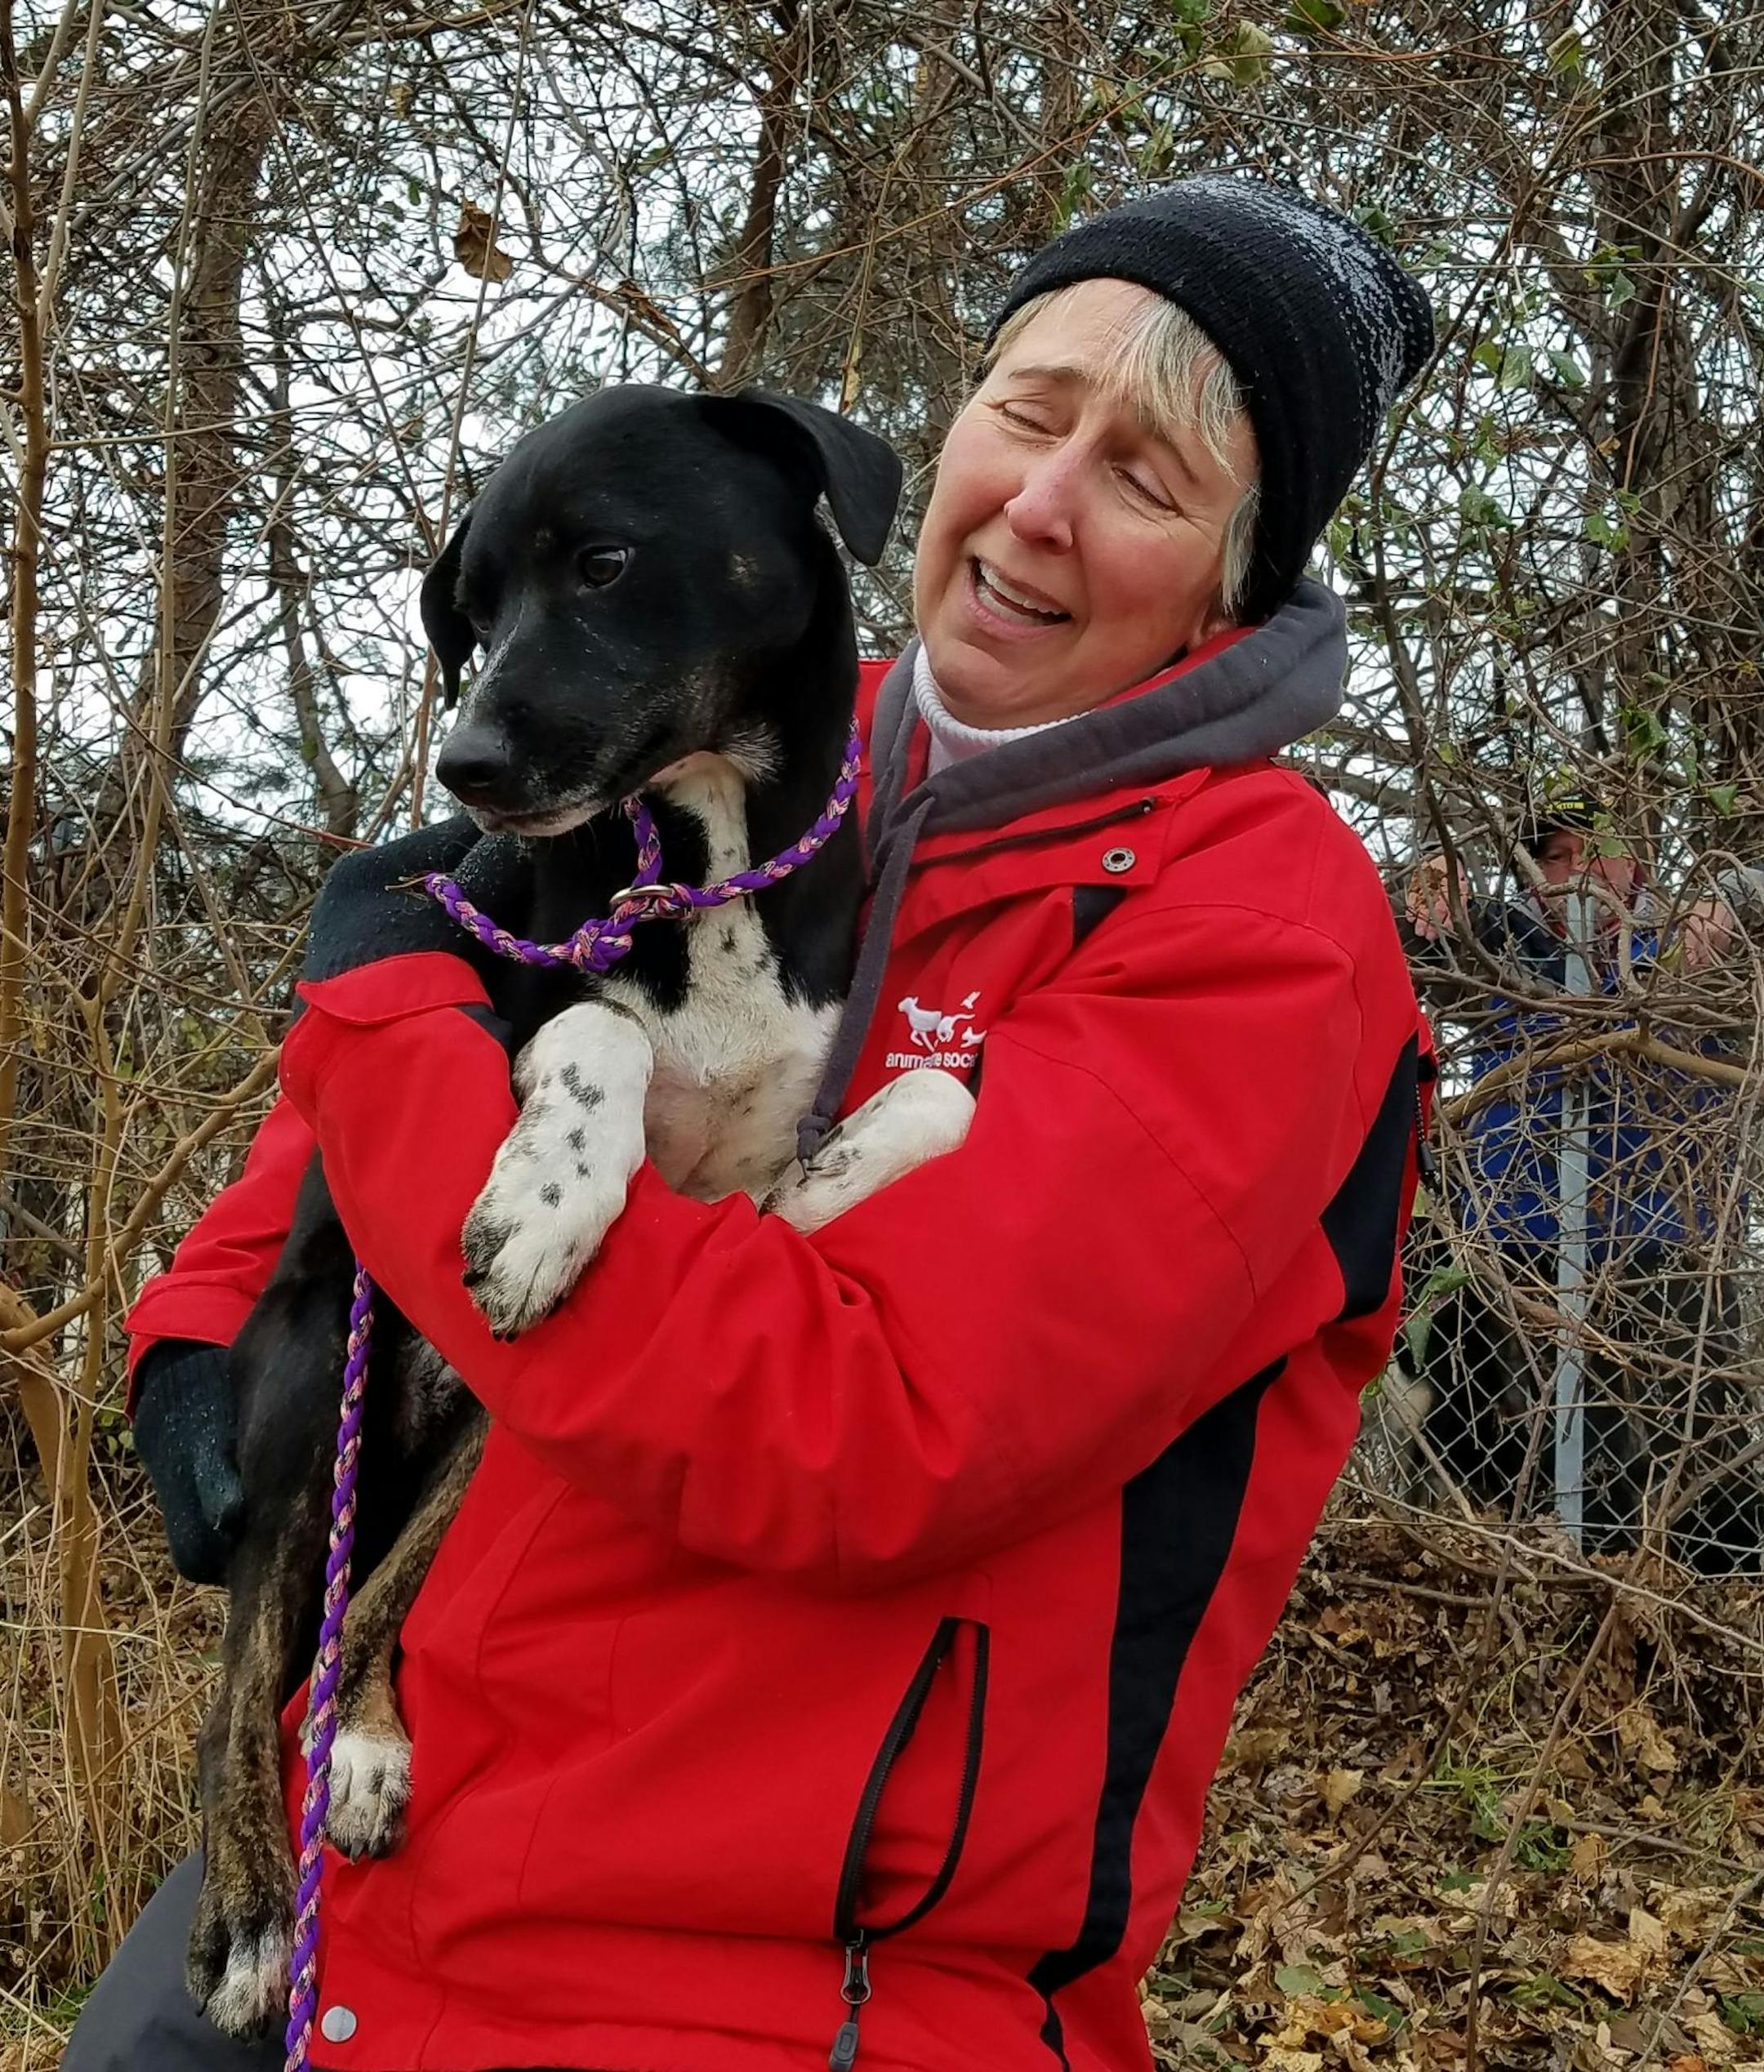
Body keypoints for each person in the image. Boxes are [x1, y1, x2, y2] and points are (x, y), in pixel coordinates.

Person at [71, 176, 1434, 2072]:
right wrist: (202, 1341)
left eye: (1142, 475)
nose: (1042, 501)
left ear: (1240, 564)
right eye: (1028, 413)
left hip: (766, 1971)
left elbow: (857, 1430)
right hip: (368, 1820)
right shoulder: (725, 744)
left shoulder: (1253, 927)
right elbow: (347, 1163)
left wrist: (388, 1021)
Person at [1397, 793, 1762, 1567]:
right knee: (1506, 1451)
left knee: (1696, 1466)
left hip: (1663, 1250)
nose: (1574, 876)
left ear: (1639, 865)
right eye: (1554, 859)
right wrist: (1432, 882)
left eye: (1594, 854)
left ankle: (1699, 1627)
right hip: (1521, 1249)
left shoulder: (1688, 953)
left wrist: (1729, 895)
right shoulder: (1503, 953)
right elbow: (1403, 939)